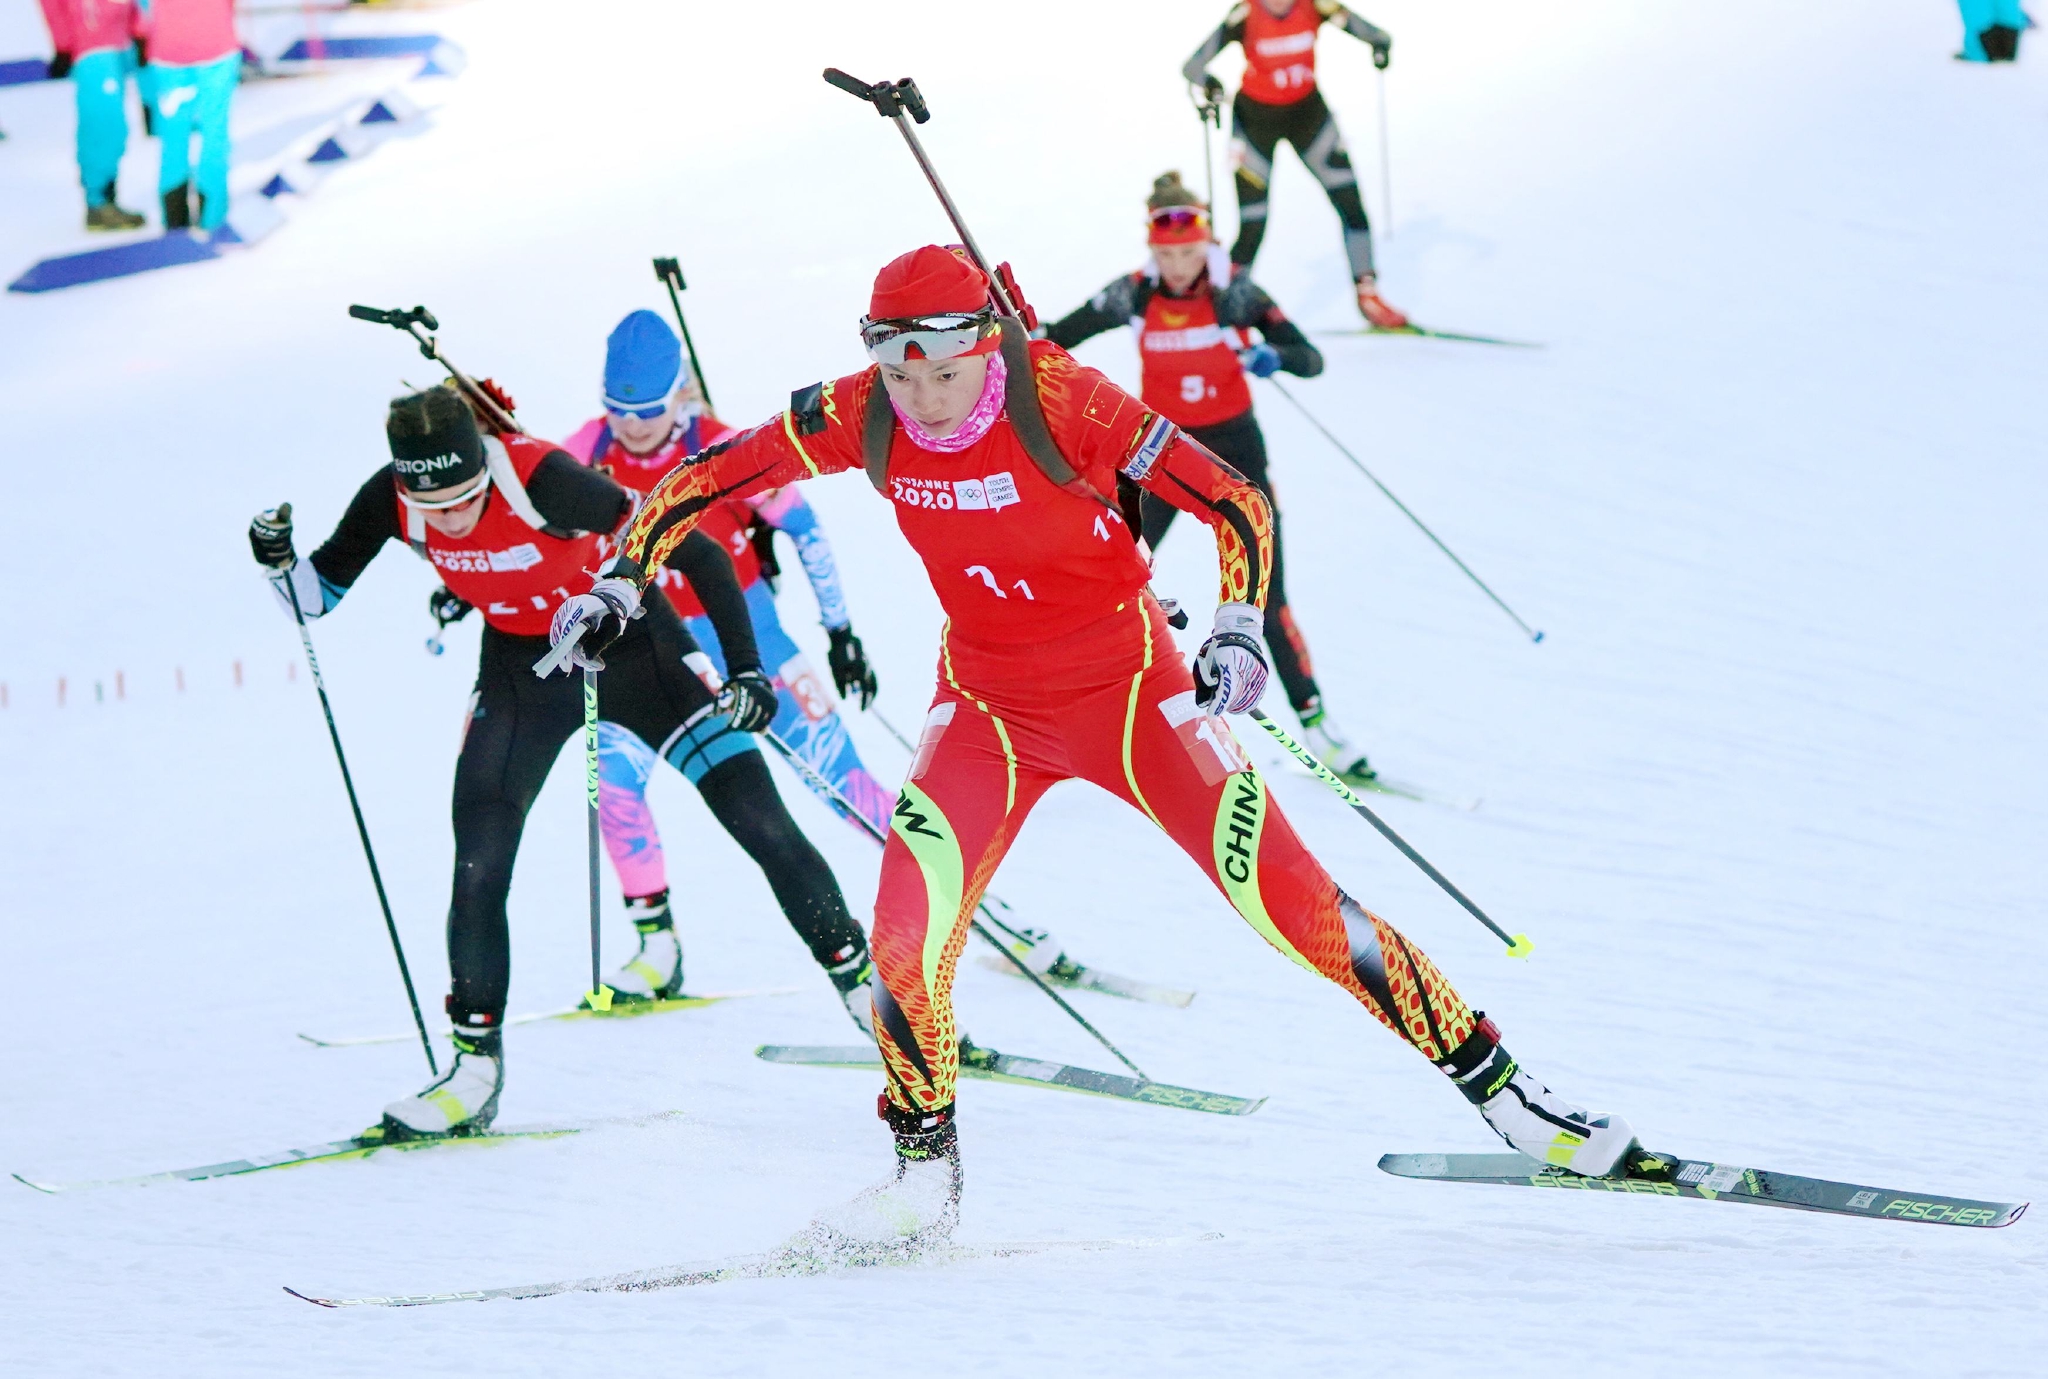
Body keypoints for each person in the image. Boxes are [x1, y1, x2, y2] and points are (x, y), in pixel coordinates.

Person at [544, 245, 1638, 1250]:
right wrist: (618, 582)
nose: (922, 398)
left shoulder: (1059, 396)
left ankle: (1506, 1093)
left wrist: (1237, 627)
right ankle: (923, 1175)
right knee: (901, 937)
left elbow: (1235, 500)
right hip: (985, 707)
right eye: (898, 369)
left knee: (1295, 910)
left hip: (1131, 690)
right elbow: (699, 481)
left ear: (984, 344)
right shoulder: (861, 409)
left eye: (943, 369)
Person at [247, 382, 875, 1139]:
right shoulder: (391, 496)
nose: (449, 518)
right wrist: (277, 561)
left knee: (759, 819)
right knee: (478, 855)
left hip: (639, 649)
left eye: (465, 497)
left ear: (485, 463)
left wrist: (744, 670)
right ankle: (473, 1071)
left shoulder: (540, 475)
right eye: (433, 505)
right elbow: (313, 599)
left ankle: (873, 999)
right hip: (524, 672)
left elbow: (697, 547)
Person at [551, 309, 895, 1004]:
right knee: (613, 787)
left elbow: (805, 529)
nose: (634, 424)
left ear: (679, 393)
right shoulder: (585, 449)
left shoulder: (725, 446)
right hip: (653, 657)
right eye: (618, 409)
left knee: (843, 784)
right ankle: (657, 948)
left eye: (648, 408)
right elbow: (539, 522)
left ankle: (966, 901)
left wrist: (841, 631)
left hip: (753, 641)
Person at [1044, 171, 1375, 785]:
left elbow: (1312, 359)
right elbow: (1053, 340)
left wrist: (1274, 356)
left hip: (1235, 456)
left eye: (1188, 253)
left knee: (1263, 595)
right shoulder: (1133, 294)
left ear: (1208, 244)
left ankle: (1319, 726)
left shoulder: (1237, 293)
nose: (1175, 266)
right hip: (1158, 456)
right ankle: (1065, 718)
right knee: (1106, 574)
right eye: (1165, 254)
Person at [1182, 0, 1408, 329]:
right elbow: (1192, 66)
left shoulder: (1317, 5)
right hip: (1255, 123)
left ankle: (1368, 295)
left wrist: (1379, 44)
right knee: (1253, 224)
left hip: (1308, 116)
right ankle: (1223, 308)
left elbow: (1374, 33)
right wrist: (1210, 84)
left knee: (1350, 204)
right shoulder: (1246, 14)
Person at [37, 0, 148, 230]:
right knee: (102, 126)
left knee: (115, 127)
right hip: (93, 47)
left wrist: (138, 29)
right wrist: (64, 44)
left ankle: (105, 198)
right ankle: (98, 202)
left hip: (117, 43)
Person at [137, 0, 237, 231]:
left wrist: (143, 30)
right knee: (214, 132)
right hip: (215, 45)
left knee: (173, 136)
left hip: (168, 50)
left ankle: (175, 220)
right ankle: (212, 219)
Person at [1955, 0, 2026, 60]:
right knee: (2007, 9)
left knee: (1976, 9)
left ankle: (1979, 50)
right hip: (2010, 30)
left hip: (1983, 35)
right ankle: (2005, 48)